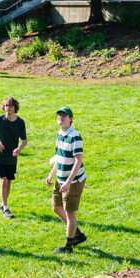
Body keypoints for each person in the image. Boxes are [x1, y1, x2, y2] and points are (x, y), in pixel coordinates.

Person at [46, 106, 86, 254]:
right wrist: (51, 174)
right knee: (56, 207)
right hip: (60, 178)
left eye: (64, 115)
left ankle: (68, 246)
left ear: (71, 119)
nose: (60, 117)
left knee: (70, 213)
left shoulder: (75, 136)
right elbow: (59, 157)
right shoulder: (59, 134)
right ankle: (77, 234)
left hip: (73, 181)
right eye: (59, 115)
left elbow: (78, 161)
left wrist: (69, 182)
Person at [0, 96, 27, 218]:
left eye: (10, 106)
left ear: (15, 108)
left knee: (9, 180)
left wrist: (19, 149)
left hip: (12, 156)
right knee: (3, 179)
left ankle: (3, 204)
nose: (8, 108)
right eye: (6, 106)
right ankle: (5, 207)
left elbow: (24, 140)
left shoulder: (20, 122)